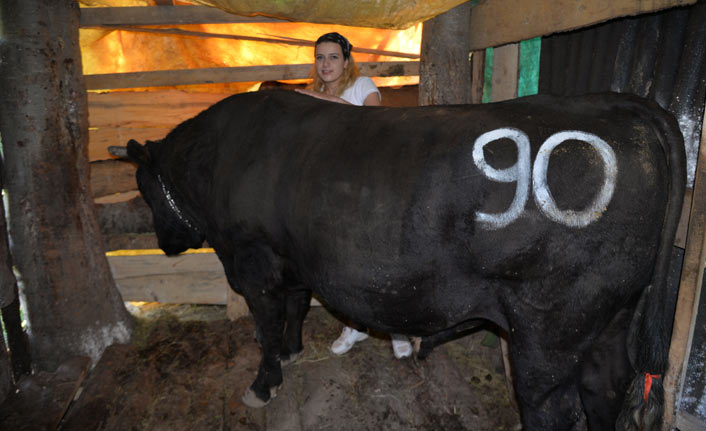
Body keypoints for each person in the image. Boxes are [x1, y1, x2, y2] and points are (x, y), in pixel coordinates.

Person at [295, 32, 413, 359]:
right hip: (330, 189)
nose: (326, 64)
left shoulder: (363, 86)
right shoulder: (309, 95)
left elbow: (375, 122)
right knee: (345, 260)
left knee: (380, 256)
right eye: (320, 57)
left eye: (333, 57)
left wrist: (330, 102)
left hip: (369, 184)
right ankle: (356, 325)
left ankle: (394, 326)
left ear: (346, 61)